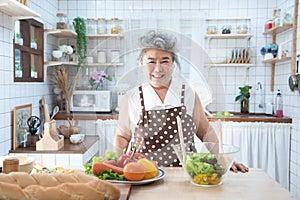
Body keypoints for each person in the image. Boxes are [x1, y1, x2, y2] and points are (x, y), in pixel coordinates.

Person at [114, 30, 248, 173]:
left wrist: (222, 157)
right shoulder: (132, 97)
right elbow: (122, 135)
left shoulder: (188, 93)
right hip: (143, 175)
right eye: (151, 61)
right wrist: (118, 162)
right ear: (141, 63)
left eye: (165, 61)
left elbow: (205, 131)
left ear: (173, 63)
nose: (158, 68)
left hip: (185, 174)